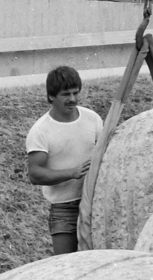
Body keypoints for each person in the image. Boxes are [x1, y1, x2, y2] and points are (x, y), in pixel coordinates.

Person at [25, 65, 104, 254]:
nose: (73, 99)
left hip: (95, 201)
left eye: (76, 93)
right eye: (66, 94)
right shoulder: (41, 131)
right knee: (65, 264)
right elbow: (35, 174)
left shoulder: (92, 119)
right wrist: (72, 173)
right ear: (51, 96)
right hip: (64, 208)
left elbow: (105, 152)